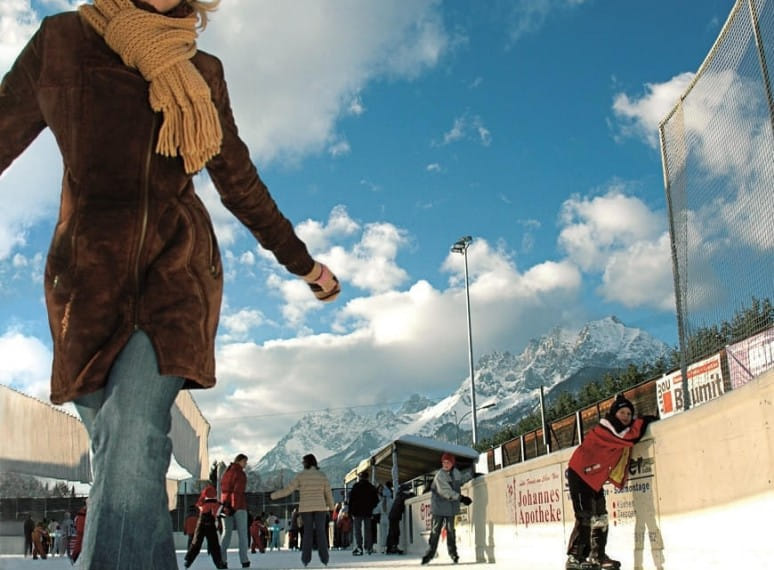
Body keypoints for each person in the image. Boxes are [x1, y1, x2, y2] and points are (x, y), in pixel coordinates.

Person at [0, 0, 341, 567]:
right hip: (86, 291)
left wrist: (302, 263)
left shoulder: (201, 71)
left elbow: (239, 182)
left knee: (134, 433)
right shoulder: (63, 41)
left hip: (175, 279)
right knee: (119, 453)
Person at [565, 394, 657, 570]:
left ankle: (597, 556)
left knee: (601, 517)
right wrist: (646, 420)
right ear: (614, 413)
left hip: (594, 478)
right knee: (585, 516)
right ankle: (575, 557)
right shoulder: (608, 427)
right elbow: (630, 436)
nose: (626, 417)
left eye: (629, 414)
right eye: (622, 412)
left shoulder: (618, 430)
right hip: (580, 473)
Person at [271, 453, 335, 567]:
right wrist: (331, 507)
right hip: (320, 507)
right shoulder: (322, 476)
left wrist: (273, 496)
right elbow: (328, 493)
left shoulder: (300, 476)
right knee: (321, 533)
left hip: (306, 508)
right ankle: (325, 558)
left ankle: (306, 559)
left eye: (303, 462)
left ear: (306, 463)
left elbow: (288, 490)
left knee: (307, 533)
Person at [421, 452, 473, 565]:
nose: (446, 464)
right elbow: (446, 491)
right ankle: (430, 553)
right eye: (444, 462)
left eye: (448, 462)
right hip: (439, 507)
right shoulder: (440, 475)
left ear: (452, 463)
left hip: (451, 508)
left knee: (451, 531)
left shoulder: (456, 473)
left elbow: (460, 482)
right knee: (436, 531)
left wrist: (471, 475)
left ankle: (453, 553)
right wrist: (461, 498)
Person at [184, 483, 227, 569]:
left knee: (196, 543)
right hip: (211, 526)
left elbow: (199, 504)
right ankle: (219, 563)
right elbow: (221, 513)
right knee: (214, 545)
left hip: (201, 523)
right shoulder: (217, 505)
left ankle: (188, 560)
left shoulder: (202, 504)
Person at [220, 454, 251, 568]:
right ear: (240, 461)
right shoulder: (240, 474)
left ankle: (222, 559)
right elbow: (237, 491)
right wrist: (234, 506)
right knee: (243, 534)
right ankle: (244, 560)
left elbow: (223, 491)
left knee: (226, 533)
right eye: (245, 462)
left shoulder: (226, 473)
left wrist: (225, 506)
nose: (245, 465)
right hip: (239, 507)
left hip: (225, 506)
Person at [348, 471, 379, 556]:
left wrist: (350, 512)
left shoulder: (356, 486)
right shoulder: (371, 487)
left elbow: (351, 500)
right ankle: (368, 547)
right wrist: (371, 507)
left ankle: (359, 547)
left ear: (360, 477)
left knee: (357, 530)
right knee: (368, 530)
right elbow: (376, 500)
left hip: (357, 511)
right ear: (367, 477)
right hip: (368, 511)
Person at [386, 483, 412, 554]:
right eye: (408, 490)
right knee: (395, 532)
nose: (409, 491)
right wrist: (412, 495)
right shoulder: (402, 495)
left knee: (393, 531)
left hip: (393, 515)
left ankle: (390, 547)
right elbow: (406, 498)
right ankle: (393, 547)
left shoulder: (399, 495)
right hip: (395, 516)